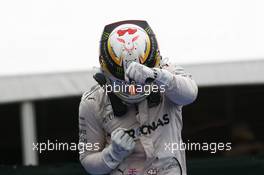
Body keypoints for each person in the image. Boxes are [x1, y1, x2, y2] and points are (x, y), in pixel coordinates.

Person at [79, 20, 198, 175]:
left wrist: (157, 76)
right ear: (104, 69)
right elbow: (87, 160)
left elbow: (190, 95)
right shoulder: (93, 102)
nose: (133, 89)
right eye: (123, 83)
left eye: (139, 81)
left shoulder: (167, 75)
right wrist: (112, 154)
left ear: (156, 62)